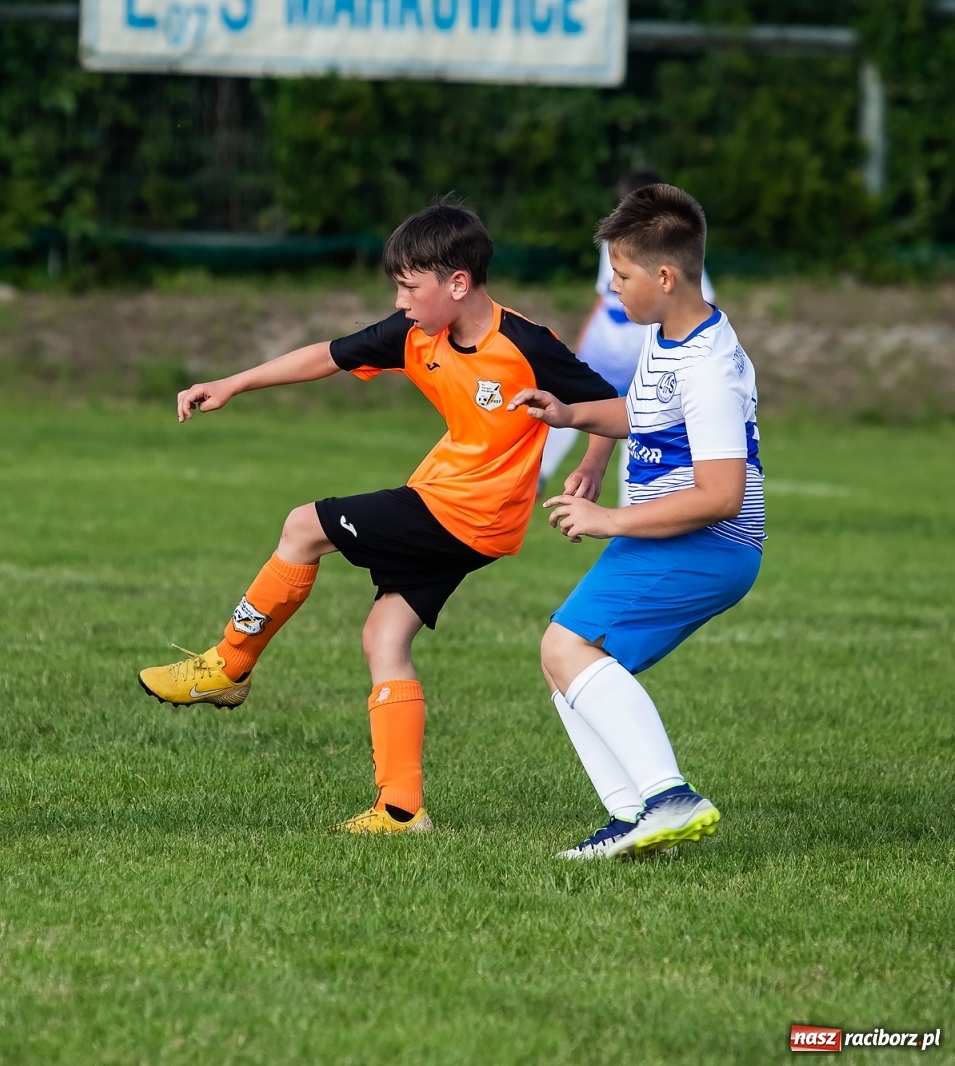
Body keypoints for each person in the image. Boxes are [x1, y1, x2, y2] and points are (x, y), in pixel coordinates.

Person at [137, 202, 618, 834]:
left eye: (409, 286)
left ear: (458, 283)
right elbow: (325, 356)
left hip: (464, 510)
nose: (401, 300)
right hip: (464, 515)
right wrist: (233, 383)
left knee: (303, 525)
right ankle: (400, 808)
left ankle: (228, 665)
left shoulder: (524, 343)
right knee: (384, 638)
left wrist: (592, 464)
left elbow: (605, 402)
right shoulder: (414, 332)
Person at [510, 183, 764, 860]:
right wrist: (571, 415)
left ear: (665, 275)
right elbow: (640, 413)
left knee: (566, 649)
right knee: (565, 662)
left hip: (703, 542)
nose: (615, 292)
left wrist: (608, 519)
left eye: (621, 277)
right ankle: (638, 821)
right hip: (678, 536)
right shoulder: (671, 337)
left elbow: (722, 494)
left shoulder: (709, 368)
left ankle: (669, 798)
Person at [539, 170, 716, 502]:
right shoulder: (616, 241)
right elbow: (601, 295)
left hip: (636, 346)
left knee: (637, 420)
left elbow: (701, 300)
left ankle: (631, 503)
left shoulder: (669, 247)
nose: (617, 284)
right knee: (578, 405)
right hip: (605, 344)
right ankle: (540, 474)